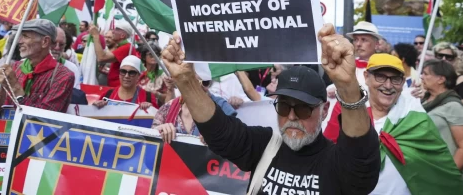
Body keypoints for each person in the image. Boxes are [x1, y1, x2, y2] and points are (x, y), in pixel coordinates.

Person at [158, 24, 381, 194]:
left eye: (303, 109)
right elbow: (220, 132)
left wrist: (348, 86)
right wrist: (186, 80)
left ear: (324, 111)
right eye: (283, 107)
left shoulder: (336, 162)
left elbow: (362, 162)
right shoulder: (264, 145)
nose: (292, 116)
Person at [324, 53, 463, 194]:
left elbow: (436, 166)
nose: (388, 85)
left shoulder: (415, 115)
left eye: (395, 79)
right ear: (366, 77)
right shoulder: (349, 108)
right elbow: (329, 154)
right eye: (380, 77)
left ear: (403, 82)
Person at [0, 19, 74, 129]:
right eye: (20, 36)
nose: (19, 41)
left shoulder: (63, 76)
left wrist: (15, 87)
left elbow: (40, 124)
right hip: (3, 138)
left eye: (25, 36)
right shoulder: (13, 68)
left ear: (45, 42)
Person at [421, 59, 463, 193]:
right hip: (428, 171)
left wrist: (447, 174)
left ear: (441, 79)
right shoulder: (424, 101)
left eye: (426, 74)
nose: (422, 77)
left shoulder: (454, 106)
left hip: (446, 177)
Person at [153, 71, 238, 142]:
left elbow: (235, 136)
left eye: (205, 82)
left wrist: (219, 135)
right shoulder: (168, 107)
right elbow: (151, 137)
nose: (201, 87)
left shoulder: (221, 106)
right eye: (193, 82)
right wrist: (160, 130)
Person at [89, 23, 139, 87]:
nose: (113, 31)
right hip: (115, 85)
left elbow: (101, 58)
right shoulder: (122, 46)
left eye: (116, 29)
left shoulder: (127, 47)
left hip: (118, 86)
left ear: (122, 35)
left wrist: (96, 36)